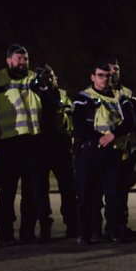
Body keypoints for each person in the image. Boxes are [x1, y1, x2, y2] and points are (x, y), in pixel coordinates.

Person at [0, 44, 53, 246]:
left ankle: (28, 232)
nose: (23, 62)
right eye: (19, 59)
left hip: (33, 143)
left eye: (25, 59)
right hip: (8, 144)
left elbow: (50, 106)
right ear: (8, 60)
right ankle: (5, 234)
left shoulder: (35, 79)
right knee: (7, 192)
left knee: (31, 192)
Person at [71, 60, 136, 244]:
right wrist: (99, 138)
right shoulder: (83, 97)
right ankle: (86, 234)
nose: (105, 79)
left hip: (112, 152)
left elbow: (131, 121)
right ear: (92, 77)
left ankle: (113, 231)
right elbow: (79, 126)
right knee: (87, 195)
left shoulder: (120, 97)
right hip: (90, 152)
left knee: (113, 195)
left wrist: (112, 135)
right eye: (100, 75)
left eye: (108, 75)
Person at [35, 64, 77, 239]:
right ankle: (45, 225)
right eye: (45, 77)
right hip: (40, 145)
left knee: (68, 187)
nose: (49, 80)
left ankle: (73, 224)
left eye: (51, 76)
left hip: (61, 144)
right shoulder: (34, 94)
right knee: (40, 190)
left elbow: (71, 116)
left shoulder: (62, 94)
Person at [108, 59, 136, 239]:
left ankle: (121, 225)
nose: (114, 72)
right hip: (104, 149)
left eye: (117, 69)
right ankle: (104, 228)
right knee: (106, 191)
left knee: (121, 190)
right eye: (111, 69)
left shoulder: (127, 93)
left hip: (124, 149)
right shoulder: (95, 92)